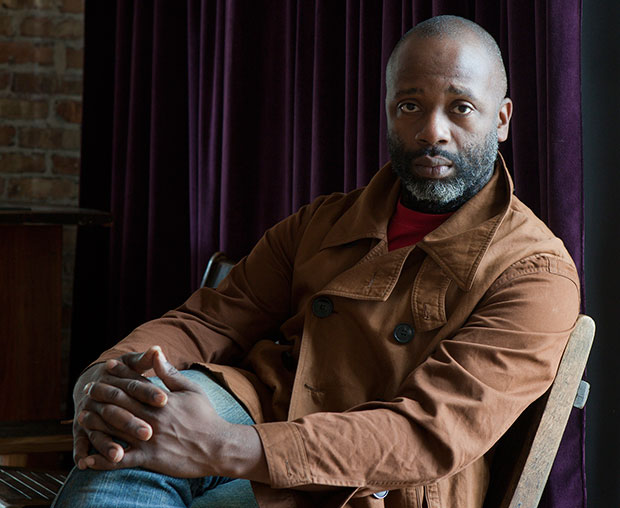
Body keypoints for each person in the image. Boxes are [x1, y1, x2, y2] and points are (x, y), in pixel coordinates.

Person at [53, 14, 580, 508]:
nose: (432, 132)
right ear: (390, 112)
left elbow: (426, 432)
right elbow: (208, 320)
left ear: (502, 119)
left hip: (372, 486)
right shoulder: (323, 222)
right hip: (257, 417)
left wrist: (220, 446)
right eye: (410, 105)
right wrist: (101, 383)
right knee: (132, 435)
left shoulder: (534, 274)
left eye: (460, 107)